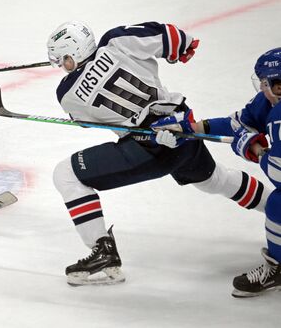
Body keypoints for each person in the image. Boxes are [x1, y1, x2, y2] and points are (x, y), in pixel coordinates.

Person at [47, 21, 272, 286]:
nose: (62, 66)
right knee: (214, 180)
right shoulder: (117, 40)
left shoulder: (66, 94)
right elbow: (174, 38)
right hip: (182, 128)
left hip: (147, 148)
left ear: (70, 57)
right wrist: (182, 48)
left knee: (67, 174)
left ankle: (102, 250)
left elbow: (83, 120)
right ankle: (275, 207)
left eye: (62, 61)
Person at [159, 48, 281, 297]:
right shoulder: (270, 103)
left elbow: (279, 175)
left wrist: (254, 149)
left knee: (279, 204)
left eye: (265, 84)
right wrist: (190, 128)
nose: (262, 89)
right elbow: (238, 123)